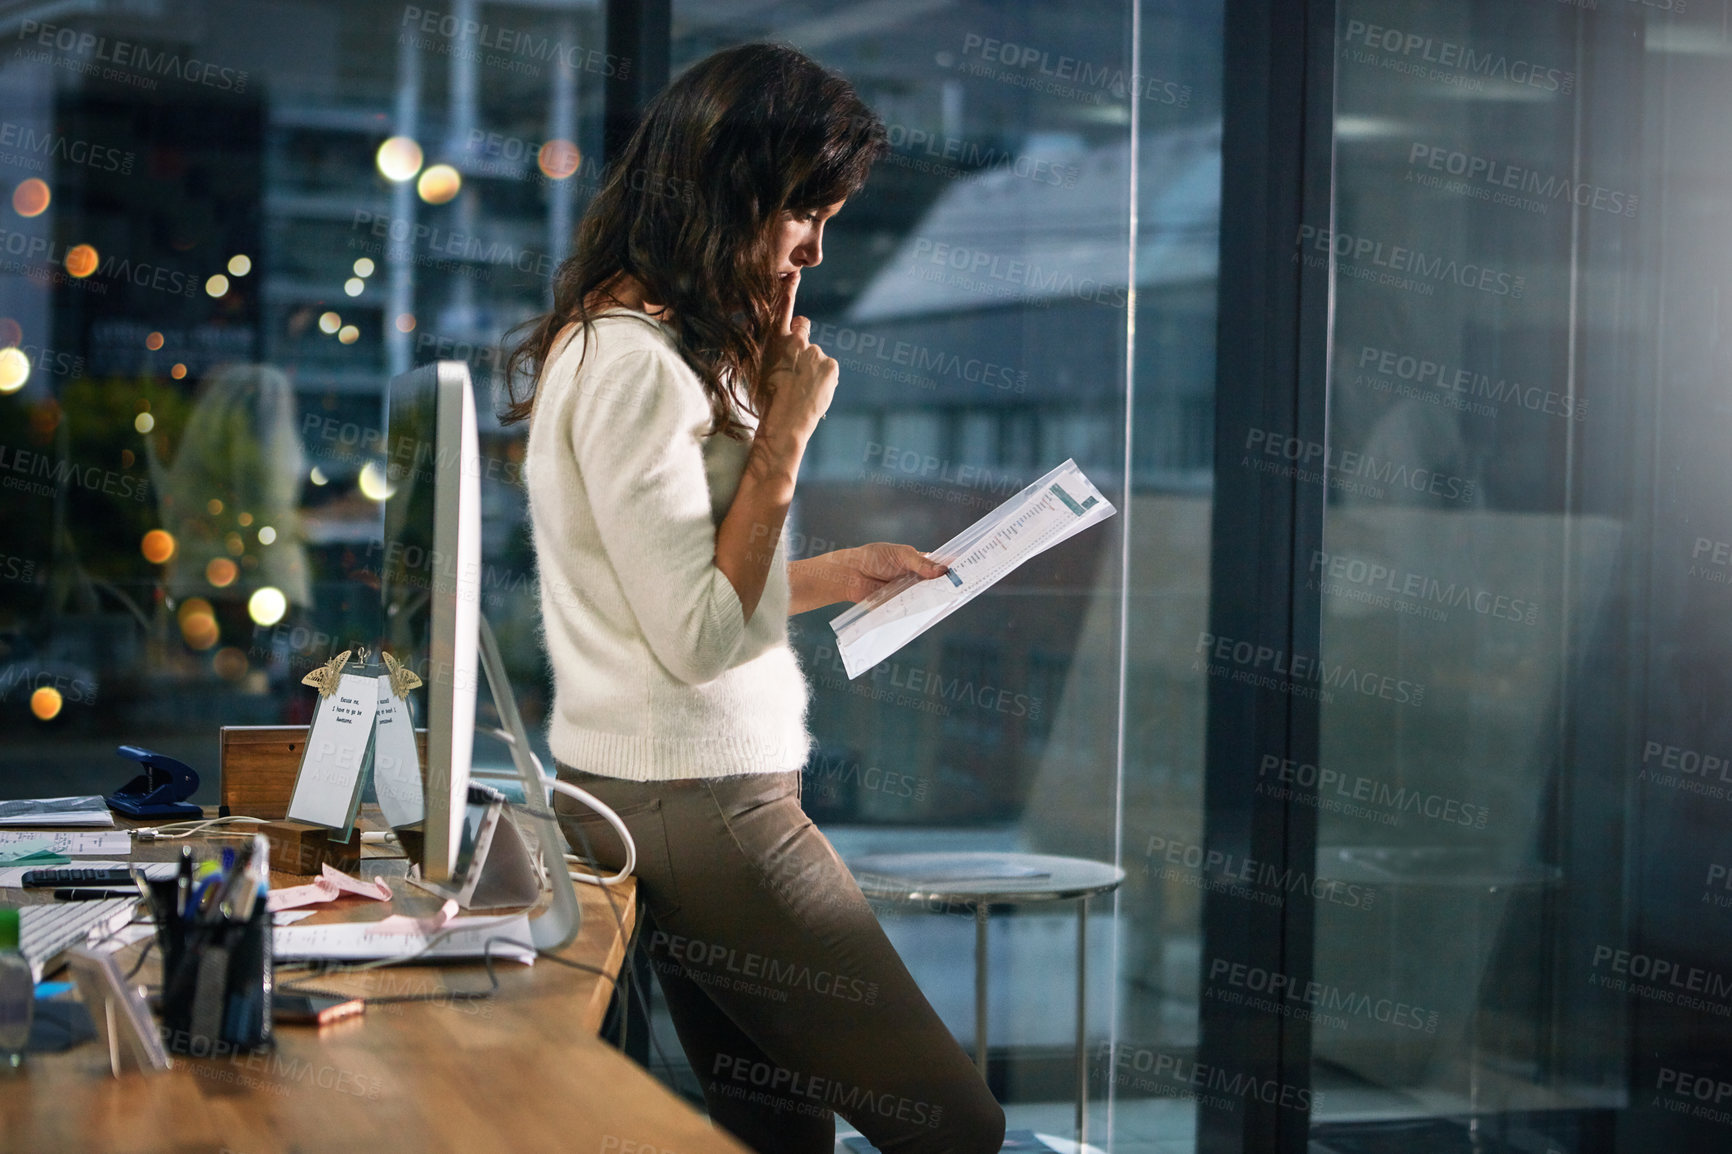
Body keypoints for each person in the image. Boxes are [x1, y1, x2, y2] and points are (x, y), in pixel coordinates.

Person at [502, 42, 1006, 1154]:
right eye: (802, 213)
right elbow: (694, 639)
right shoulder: (634, 365)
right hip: (707, 806)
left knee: (778, 1137)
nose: (817, 248)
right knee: (957, 1126)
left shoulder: (646, 345)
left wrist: (835, 575)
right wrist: (783, 430)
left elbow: (667, 591)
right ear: (730, 193)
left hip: (672, 793)